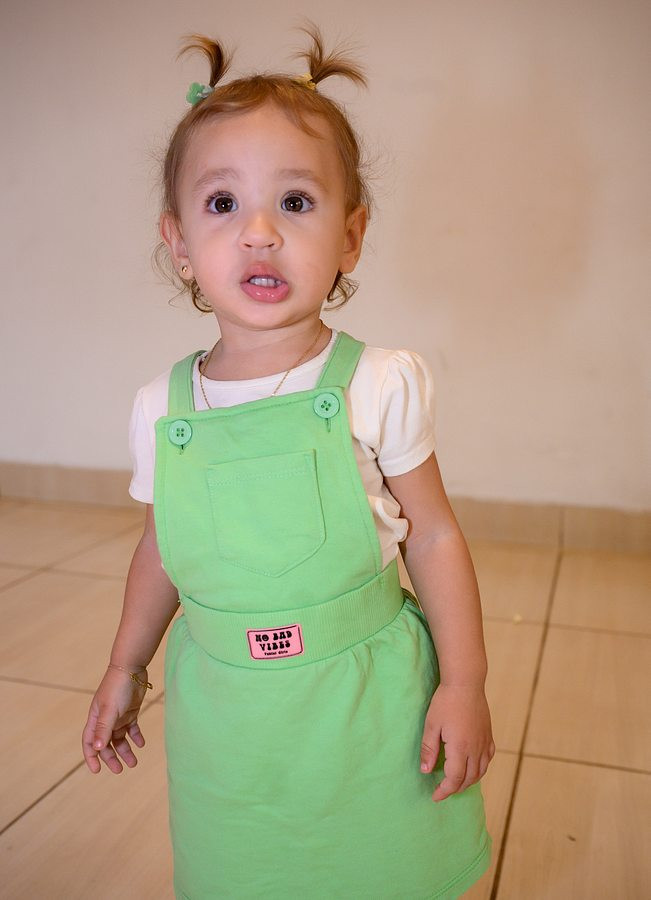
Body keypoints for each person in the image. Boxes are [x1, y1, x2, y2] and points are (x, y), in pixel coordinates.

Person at [82, 21, 495, 899]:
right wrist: (125, 665)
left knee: (384, 862)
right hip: (227, 716)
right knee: (246, 866)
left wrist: (463, 683)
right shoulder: (163, 407)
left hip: (366, 699)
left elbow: (433, 538)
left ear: (350, 235)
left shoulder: (377, 382)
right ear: (178, 243)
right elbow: (162, 548)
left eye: (296, 203)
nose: (259, 233)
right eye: (222, 204)